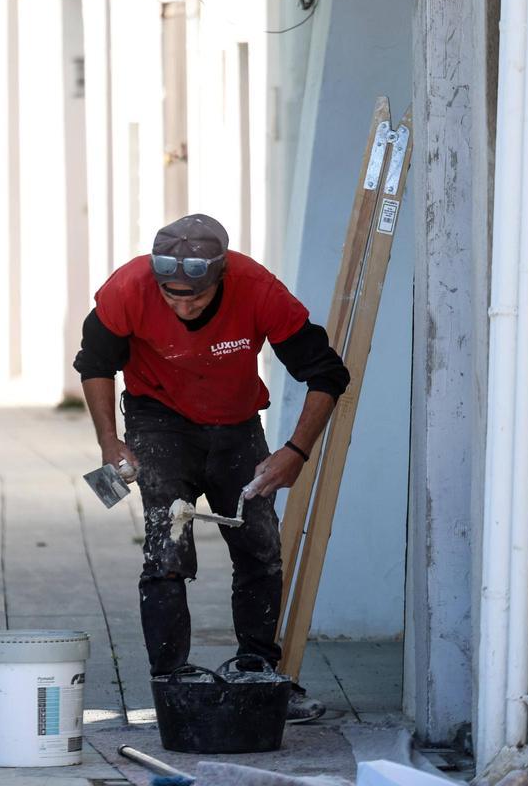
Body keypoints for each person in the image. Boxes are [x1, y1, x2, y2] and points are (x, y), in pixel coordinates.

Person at [73, 213, 349, 723]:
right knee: (167, 544)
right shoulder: (128, 289)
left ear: (221, 277)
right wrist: (110, 441)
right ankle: (171, 680)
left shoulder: (259, 289)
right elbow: (94, 364)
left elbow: (328, 374)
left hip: (236, 423)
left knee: (259, 545)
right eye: (170, 296)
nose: (181, 307)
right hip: (157, 420)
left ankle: (258, 671)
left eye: (194, 297)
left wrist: (296, 451)